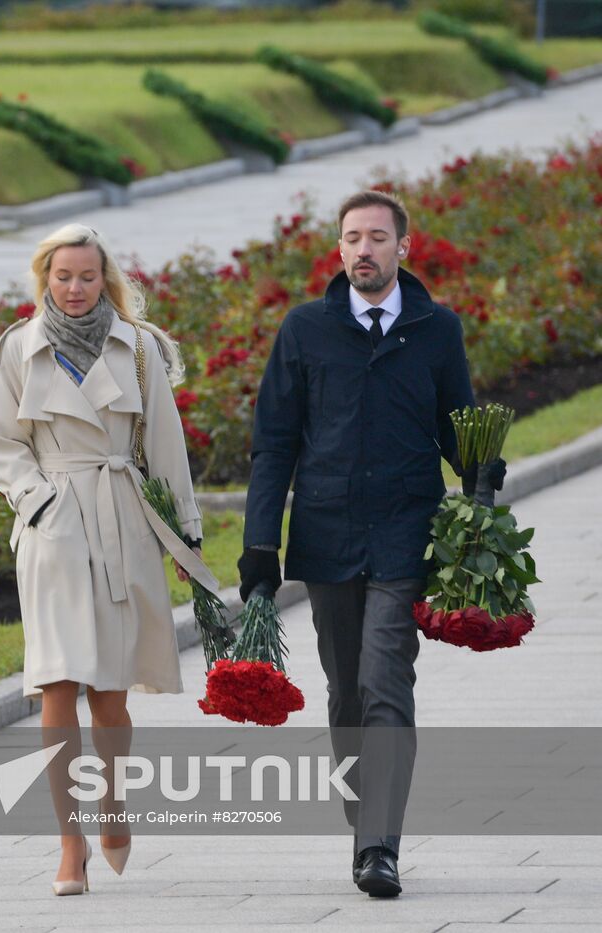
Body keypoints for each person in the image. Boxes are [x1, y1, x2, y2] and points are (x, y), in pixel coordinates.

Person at [238, 189, 505, 898]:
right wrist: (260, 546)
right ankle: (365, 823)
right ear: (338, 250)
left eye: (377, 237)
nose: (363, 249)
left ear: (402, 248)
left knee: (387, 679)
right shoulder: (305, 331)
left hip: (405, 534)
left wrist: (482, 488)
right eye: (352, 237)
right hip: (325, 536)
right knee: (346, 691)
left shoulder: (435, 329)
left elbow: (459, 427)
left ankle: (379, 842)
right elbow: (273, 445)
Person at [0, 223, 207, 896]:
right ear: (44, 279)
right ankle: (69, 844)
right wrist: (40, 504)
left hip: (122, 521)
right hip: (54, 531)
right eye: (62, 277)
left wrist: (186, 535)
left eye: (86, 276)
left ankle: (113, 808)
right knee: (56, 684)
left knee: (109, 693)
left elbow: (166, 449)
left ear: (103, 279)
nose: (74, 288)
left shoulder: (139, 348)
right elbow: (4, 445)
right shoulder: (19, 350)